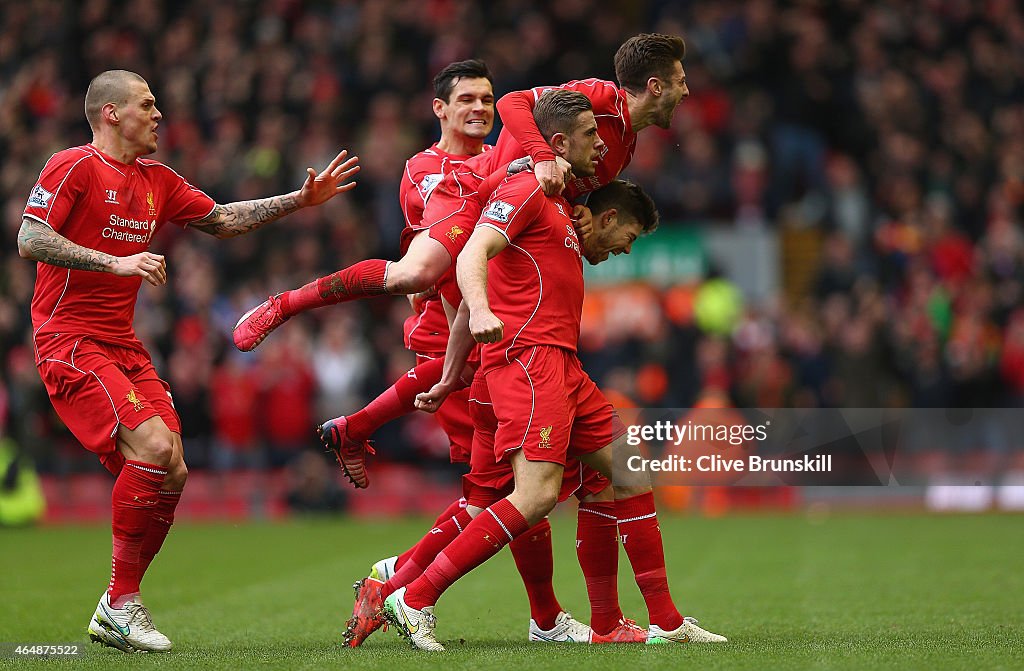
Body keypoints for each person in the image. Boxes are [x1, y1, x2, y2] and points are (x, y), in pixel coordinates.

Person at [237, 32, 690, 489]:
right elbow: (522, 109)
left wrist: (584, 217)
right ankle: (284, 304)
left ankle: (357, 431)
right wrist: (537, 158)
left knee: (478, 375)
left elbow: (567, 185)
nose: (482, 108)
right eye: (468, 98)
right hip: (470, 195)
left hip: (499, 210)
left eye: (485, 99)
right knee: (418, 273)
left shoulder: (614, 147)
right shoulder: (439, 163)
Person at [17, 69, 359, 653]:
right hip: (69, 338)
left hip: (122, 344)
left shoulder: (157, 179)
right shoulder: (73, 164)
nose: (158, 114)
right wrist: (115, 262)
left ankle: (118, 603)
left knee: (173, 465)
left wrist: (300, 199)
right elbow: (30, 237)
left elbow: (222, 220)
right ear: (110, 114)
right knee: (151, 449)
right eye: (146, 105)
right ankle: (121, 603)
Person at [381, 89, 726, 650]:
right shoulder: (524, 187)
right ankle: (414, 596)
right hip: (528, 360)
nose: (602, 144)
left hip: (560, 363)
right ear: (560, 142)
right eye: (592, 134)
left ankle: (651, 622)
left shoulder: (564, 204)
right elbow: (472, 254)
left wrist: (450, 372)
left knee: (630, 468)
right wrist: (486, 312)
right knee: (535, 495)